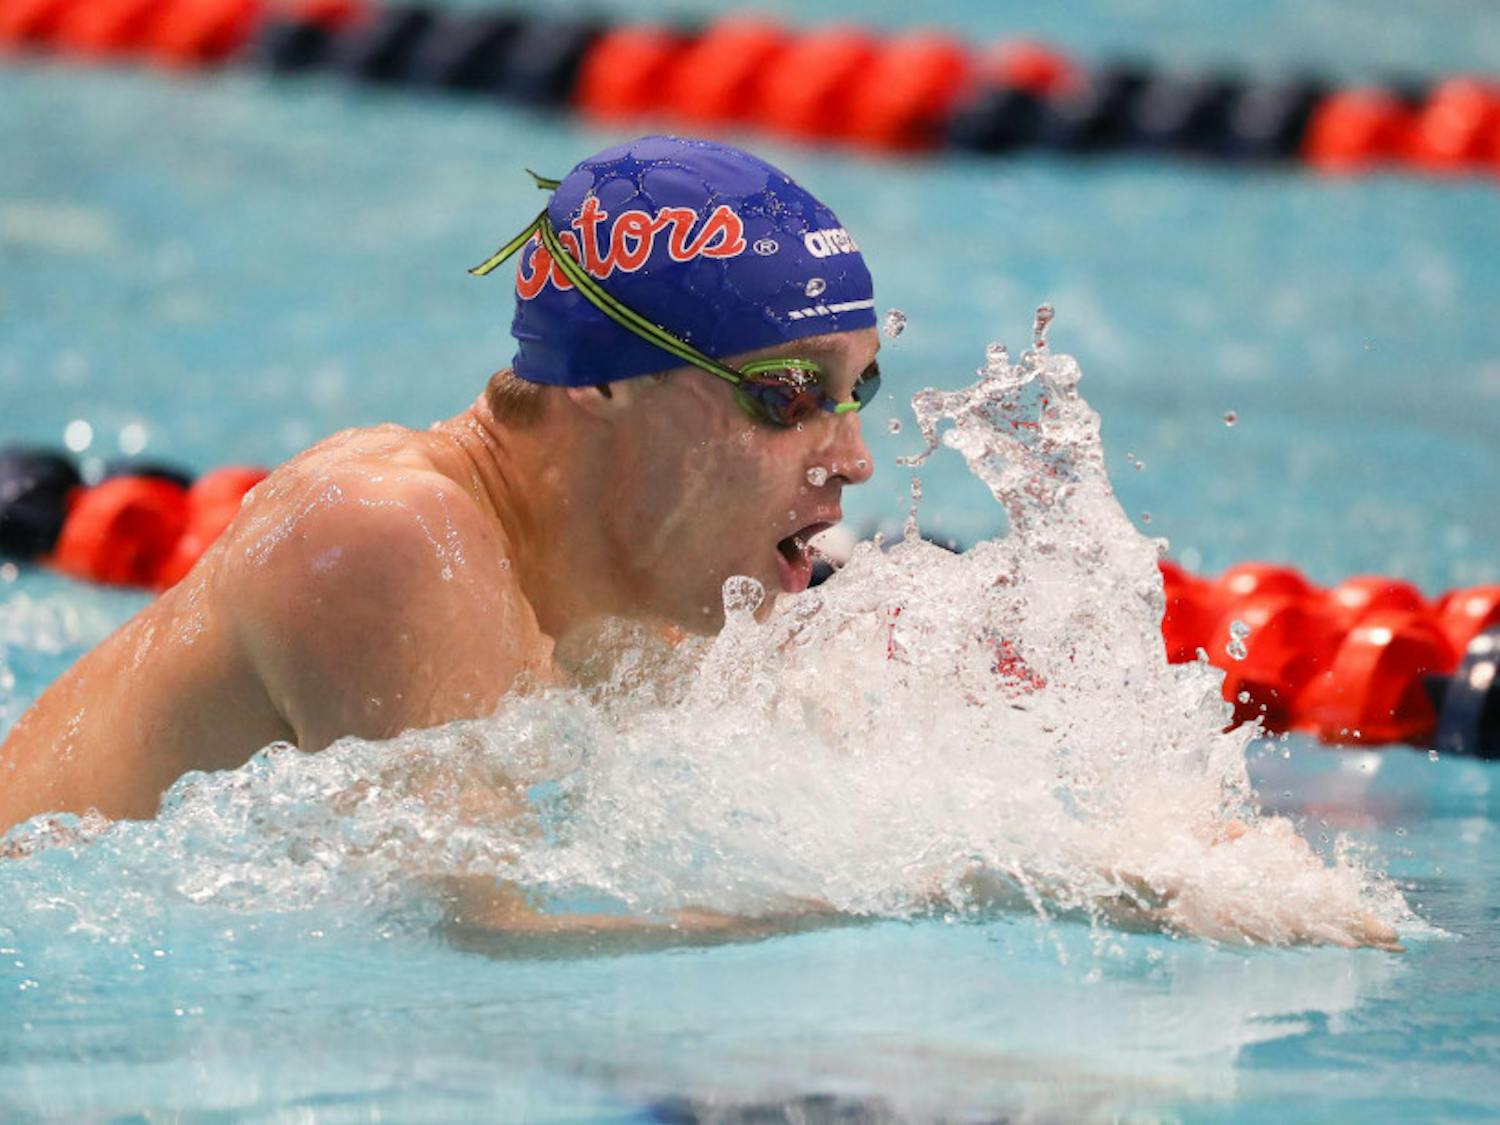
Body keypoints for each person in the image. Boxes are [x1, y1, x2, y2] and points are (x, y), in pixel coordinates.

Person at [0, 135, 882, 840]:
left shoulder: (650, 603)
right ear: (605, 379)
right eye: (788, 394)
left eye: (860, 390)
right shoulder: (387, 533)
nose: (852, 457)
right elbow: (483, 952)